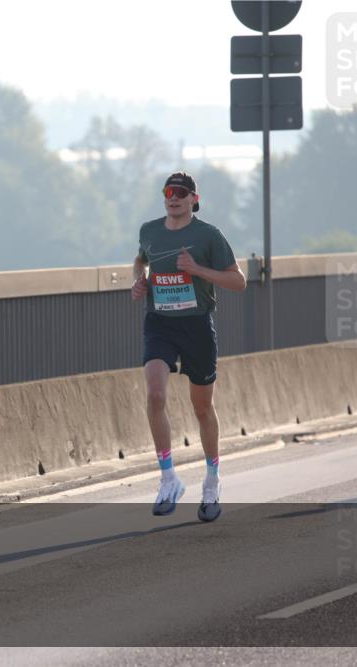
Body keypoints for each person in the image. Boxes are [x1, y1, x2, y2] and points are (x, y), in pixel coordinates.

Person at [131, 172, 247, 522]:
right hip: (160, 322)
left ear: (194, 199)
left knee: (202, 408)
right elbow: (141, 259)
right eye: (169, 191)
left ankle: (211, 481)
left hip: (196, 325)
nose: (174, 197)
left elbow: (238, 281)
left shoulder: (208, 235)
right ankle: (168, 478)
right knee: (154, 395)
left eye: (181, 193)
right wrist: (139, 279)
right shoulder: (149, 230)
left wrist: (198, 270)